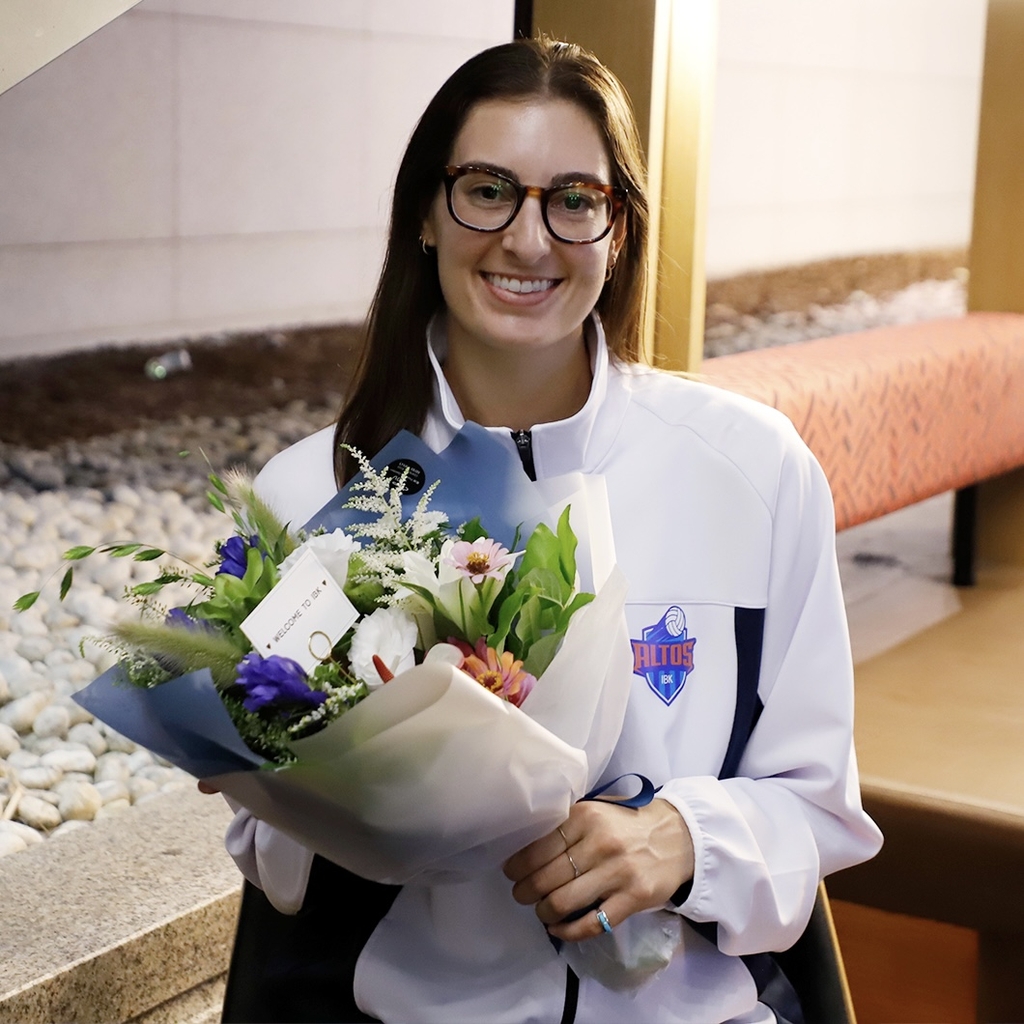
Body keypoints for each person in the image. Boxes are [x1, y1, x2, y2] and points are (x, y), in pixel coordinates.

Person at [221, 37, 882, 1024]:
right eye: (487, 190)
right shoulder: (312, 490)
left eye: (574, 200)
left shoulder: (753, 469)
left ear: (619, 232)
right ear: (424, 218)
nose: (529, 240)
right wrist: (334, 786)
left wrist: (686, 838)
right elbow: (270, 863)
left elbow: (819, 806)